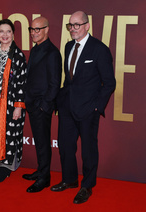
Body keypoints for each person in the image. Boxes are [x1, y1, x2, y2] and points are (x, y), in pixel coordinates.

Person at [50, 11, 116, 204]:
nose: (73, 29)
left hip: (88, 110)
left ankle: (86, 186)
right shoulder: (68, 46)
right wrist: (60, 102)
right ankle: (69, 180)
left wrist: (97, 107)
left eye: (77, 25)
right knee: (65, 147)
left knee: (88, 150)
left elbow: (109, 83)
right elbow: (69, 80)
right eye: (70, 25)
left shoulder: (99, 49)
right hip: (67, 108)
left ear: (87, 26)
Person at [0, 19, 27, 183]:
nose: (5, 35)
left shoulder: (18, 56)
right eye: (1, 31)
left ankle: (7, 169)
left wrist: (18, 106)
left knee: (10, 136)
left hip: (10, 105)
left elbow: (23, 82)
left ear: (13, 33)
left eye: (8, 31)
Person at [23, 17, 62, 193]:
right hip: (33, 104)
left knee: (44, 143)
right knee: (40, 142)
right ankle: (41, 171)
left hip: (41, 106)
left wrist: (44, 106)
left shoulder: (52, 53)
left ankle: (44, 178)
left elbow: (55, 83)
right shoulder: (36, 49)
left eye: (37, 29)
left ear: (47, 30)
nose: (33, 32)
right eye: (32, 29)